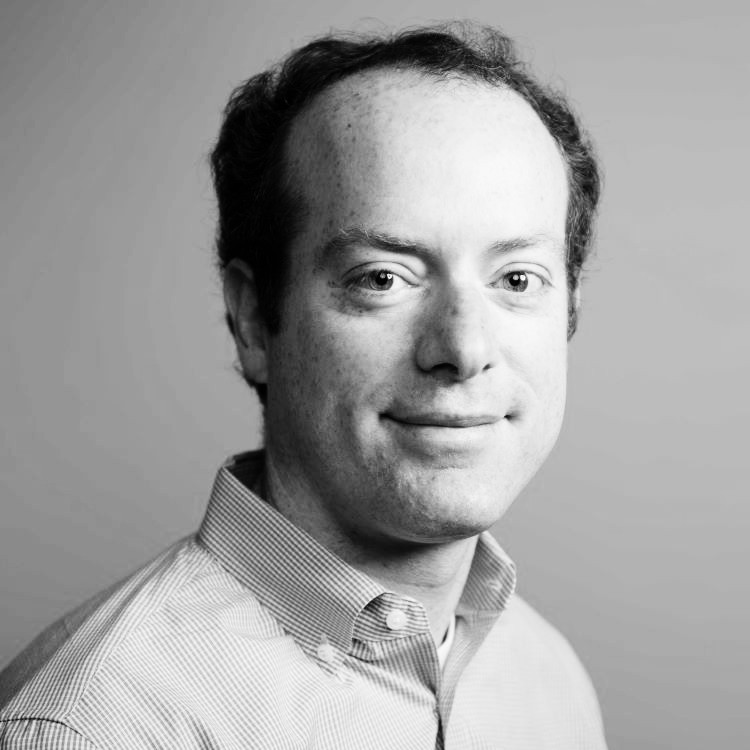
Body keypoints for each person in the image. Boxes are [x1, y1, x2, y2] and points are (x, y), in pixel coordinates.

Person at [0, 23, 606, 749]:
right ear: (254, 321)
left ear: (570, 308)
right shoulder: (94, 726)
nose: (464, 349)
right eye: (382, 278)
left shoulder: (547, 679)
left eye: (517, 279)